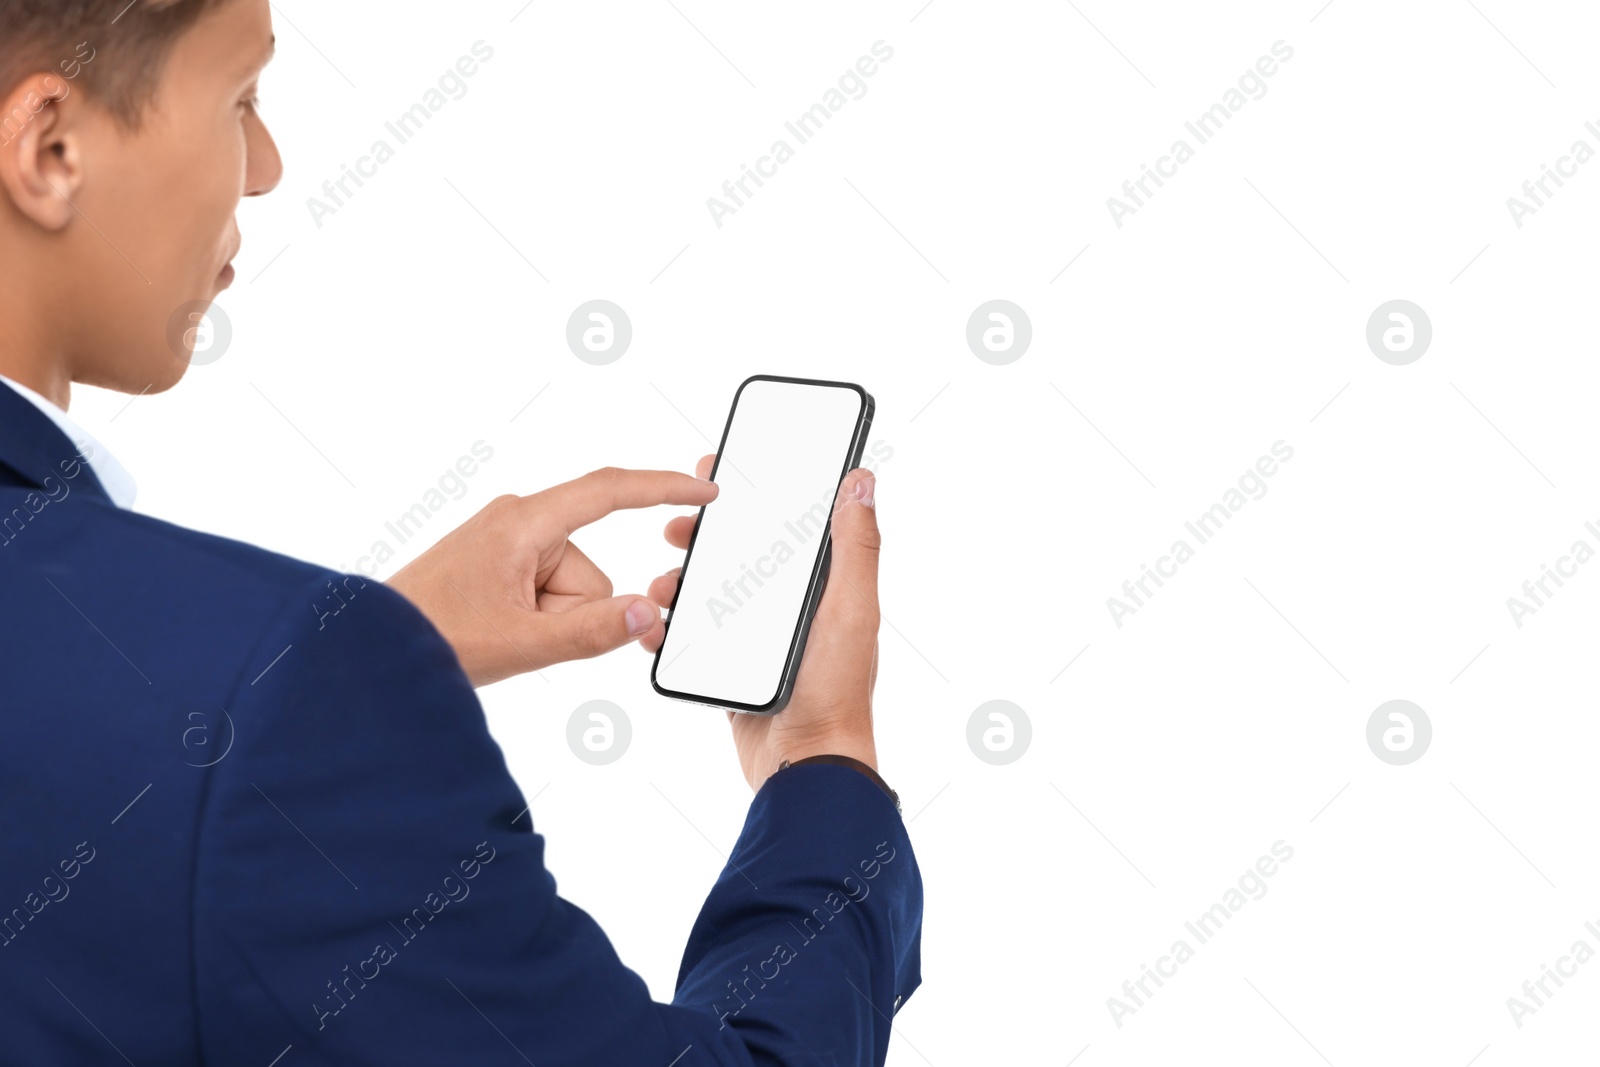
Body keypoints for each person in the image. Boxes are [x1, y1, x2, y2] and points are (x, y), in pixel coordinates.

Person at [0, 1, 922, 1064]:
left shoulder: (251, 689)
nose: (267, 165)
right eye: (241, 99)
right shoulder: (280, 699)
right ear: (50, 148)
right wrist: (823, 766)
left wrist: (294, 682)